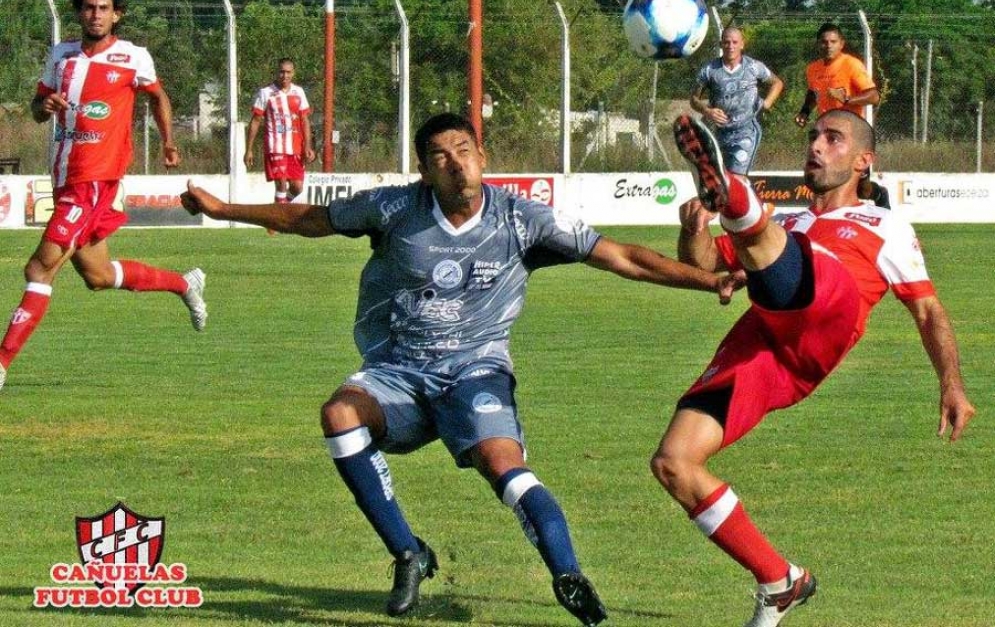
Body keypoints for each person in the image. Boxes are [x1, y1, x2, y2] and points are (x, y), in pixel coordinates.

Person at [181, 112, 741, 626]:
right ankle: (408, 552)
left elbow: (620, 256)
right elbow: (311, 218)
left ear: (483, 156)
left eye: (464, 149)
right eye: (441, 155)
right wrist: (223, 209)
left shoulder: (522, 219)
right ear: (424, 170)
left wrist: (707, 279)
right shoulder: (394, 209)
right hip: (397, 372)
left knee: (504, 465)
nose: (456, 162)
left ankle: (567, 575)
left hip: (475, 370)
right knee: (339, 414)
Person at [660, 111, 975, 627]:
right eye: (813, 136)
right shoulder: (786, 221)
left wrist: (952, 383)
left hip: (826, 316)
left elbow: (927, 310)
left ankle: (733, 191)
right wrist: (694, 227)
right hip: (764, 342)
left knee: (803, 259)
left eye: (833, 138)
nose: (817, 146)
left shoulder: (885, 224)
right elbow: (702, 264)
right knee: (674, 462)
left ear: (862, 160)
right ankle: (779, 580)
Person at [0, 0, 207, 393]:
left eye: (104, 8)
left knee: (39, 267)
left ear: (117, 15)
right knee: (96, 275)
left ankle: (2, 364)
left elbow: (158, 97)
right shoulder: (61, 56)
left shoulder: (133, 57)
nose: (96, 14)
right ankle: (185, 283)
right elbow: (38, 111)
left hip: (95, 180)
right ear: (79, 12)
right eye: (89, 7)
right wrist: (45, 105)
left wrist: (168, 140)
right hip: (64, 178)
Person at [793, 23, 888, 208]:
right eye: (824, 42)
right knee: (821, 177)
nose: (828, 45)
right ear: (818, 44)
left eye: (833, 41)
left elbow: (874, 96)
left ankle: (879, 195)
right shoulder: (813, 69)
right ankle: (822, 221)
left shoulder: (851, 64)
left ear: (841, 44)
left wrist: (847, 99)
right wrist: (804, 112)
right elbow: (813, 93)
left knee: (862, 189)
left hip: (849, 135)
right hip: (826, 135)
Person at [689, 26, 783, 175]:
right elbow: (694, 100)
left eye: (734, 42)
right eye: (726, 42)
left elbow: (777, 83)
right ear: (721, 45)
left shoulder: (753, 67)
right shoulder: (709, 70)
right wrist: (707, 111)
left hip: (746, 131)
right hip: (719, 133)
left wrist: (767, 102)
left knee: (737, 177)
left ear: (742, 44)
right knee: (721, 179)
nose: (730, 46)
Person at [244, 57, 315, 231]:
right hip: (275, 146)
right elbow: (255, 121)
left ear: (293, 73)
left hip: (296, 147)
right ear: (277, 72)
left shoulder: (299, 92)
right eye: (282, 71)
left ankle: (278, 211)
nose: (285, 75)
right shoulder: (266, 93)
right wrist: (249, 149)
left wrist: (308, 146)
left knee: (297, 188)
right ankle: (276, 224)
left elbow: (305, 120)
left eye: (288, 72)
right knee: (281, 183)